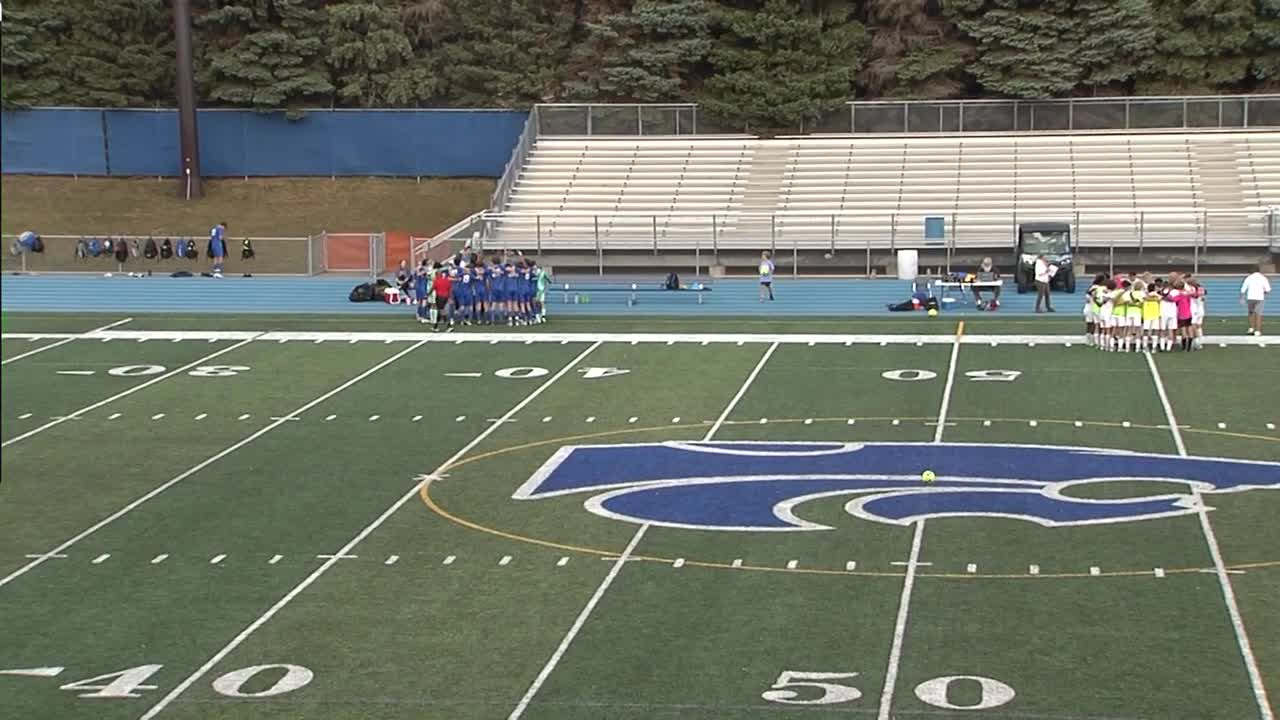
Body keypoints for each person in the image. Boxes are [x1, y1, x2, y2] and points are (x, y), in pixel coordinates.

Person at [1241, 266, 1271, 336]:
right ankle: (1257, 330)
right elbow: (1268, 290)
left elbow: (1243, 289)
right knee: (1258, 314)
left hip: (1250, 297)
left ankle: (1251, 328)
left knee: (1251, 313)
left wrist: (1242, 298)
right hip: (1260, 298)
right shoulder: (1263, 278)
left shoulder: (1248, 278)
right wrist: (1263, 293)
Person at [431, 264, 452, 332]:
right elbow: (450, 289)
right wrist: (449, 297)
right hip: (445, 297)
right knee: (440, 311)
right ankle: (435, 326)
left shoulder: (437, 281)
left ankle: (448, 325)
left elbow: (433, 288)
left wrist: (427, 294)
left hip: (439, 297)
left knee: (441, 311)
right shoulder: (446, 280)